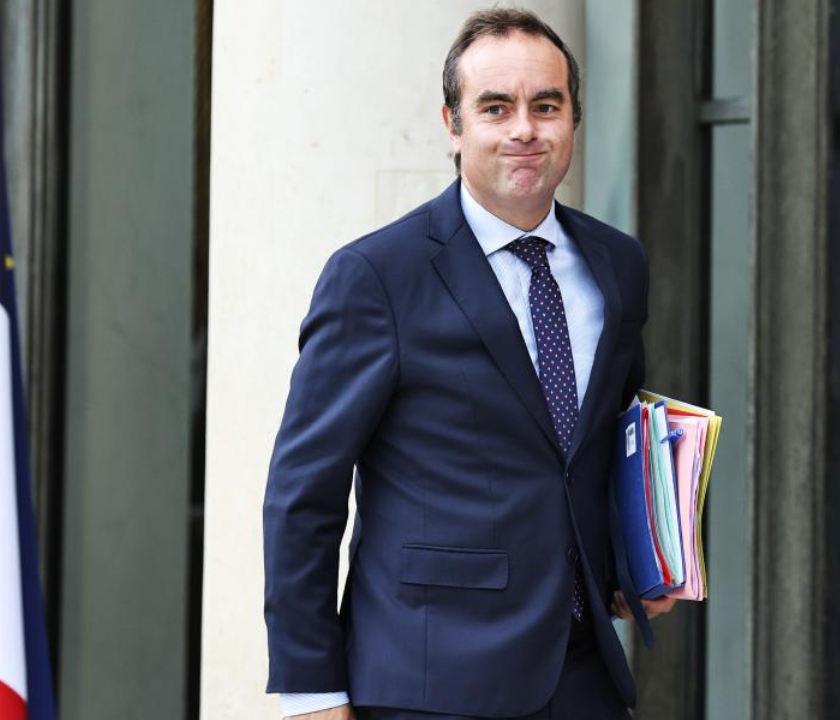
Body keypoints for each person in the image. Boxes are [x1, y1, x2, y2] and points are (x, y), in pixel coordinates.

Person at [263, 9, 675, 720]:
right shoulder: (376, 277)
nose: (524, 129)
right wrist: (312, 692)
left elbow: (603, 441)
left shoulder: (618, 263)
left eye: (547, 106)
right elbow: (304, 494)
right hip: (431, 680)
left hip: (585, 678)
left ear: (574, 120)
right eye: (496, 108)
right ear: (453, 125)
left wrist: (641, 559)